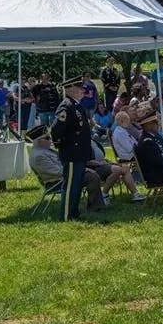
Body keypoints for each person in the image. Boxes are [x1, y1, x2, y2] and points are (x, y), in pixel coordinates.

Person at [27, 124, 105, 214]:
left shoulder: (43, 151)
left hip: (64, 177)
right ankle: (95, 208)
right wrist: (79, 171)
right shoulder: (38, 156)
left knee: (93, 172)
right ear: (39, 141)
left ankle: (96, 205)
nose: (51, 140)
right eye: (47, 138)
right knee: (92, 177)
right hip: (56, 182)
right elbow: (56, 172)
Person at [50, 76, 94, 221]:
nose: (83, 91)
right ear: (71, 89)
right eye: (80, 88)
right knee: (70, 186)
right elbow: (56, 130)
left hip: (79, 153)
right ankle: (67, 215)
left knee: (77, 185)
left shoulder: (76, 106)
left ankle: (74, 212)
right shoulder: (66, 106)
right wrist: (62, 144)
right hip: (72, 153)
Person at [88, 137, 144, 202]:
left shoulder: (93, 141)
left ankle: (135, 194)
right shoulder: (82, 142)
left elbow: (102, 158)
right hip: (94, 168)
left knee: (125, 167)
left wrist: (109, 162)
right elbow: (84, 161)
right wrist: (99, 163)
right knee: (118, 170)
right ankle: (104, 195)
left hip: (103, 164)